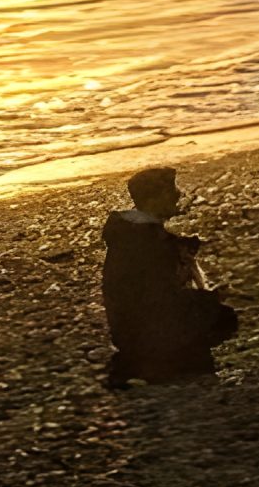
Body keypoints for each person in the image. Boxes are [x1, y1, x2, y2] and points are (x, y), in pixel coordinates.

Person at [101, 164, 238, 388]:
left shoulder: (130, 234)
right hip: (146, 330)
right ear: (153, 200)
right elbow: (159, 298)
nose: (178, 195)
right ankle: (167, 360)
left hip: (130, 329)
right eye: (171, 191)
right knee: (219, 313)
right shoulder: (150, 244)